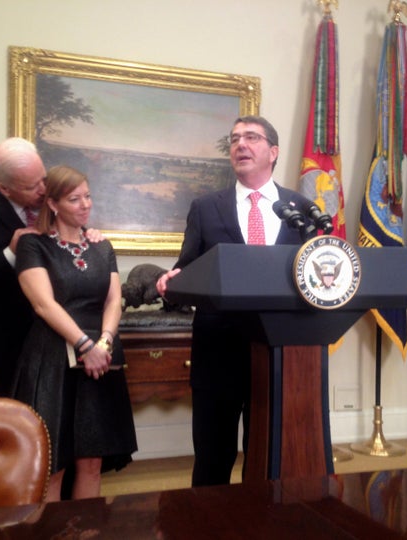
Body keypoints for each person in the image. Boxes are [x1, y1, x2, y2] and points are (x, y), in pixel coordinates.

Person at [156, 115, 315, 486]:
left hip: (278, 351)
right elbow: (188, 268)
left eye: (251, 137)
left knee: (268, 453)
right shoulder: (206, 207)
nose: (240, 144)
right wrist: (172, 280)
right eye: (234, 139)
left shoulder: (302, 209)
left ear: (273, 152)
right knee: (214, 457)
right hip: (218, 350)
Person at [12, 164, 137, 501]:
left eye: (88, 196)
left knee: (92, 461)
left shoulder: (102, 246)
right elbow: (44, 305)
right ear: (52, 204)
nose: (85, 205)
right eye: (74, 199)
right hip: (54, 360)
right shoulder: (33, 245)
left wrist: (105, 342)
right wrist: (85, 345)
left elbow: (114, 300)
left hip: (101, 360)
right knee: (55, 463)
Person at [0, 137, 101, 397]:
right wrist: (9, 253)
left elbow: (72, 247)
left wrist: (91, 238)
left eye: (44, 178)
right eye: (33, 186)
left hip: (63, 344)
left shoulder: (51, 200)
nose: (44, 190)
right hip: (12, 351)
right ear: (4, 188)